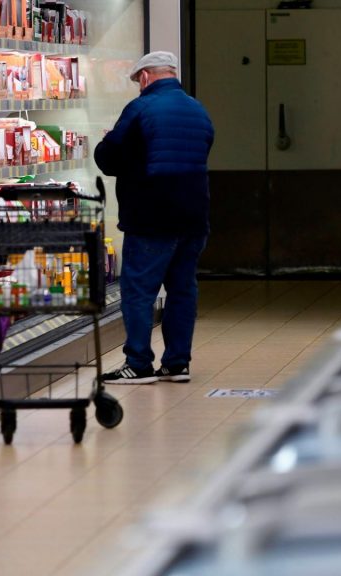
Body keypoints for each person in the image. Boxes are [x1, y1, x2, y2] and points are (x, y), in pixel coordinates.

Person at [94, 51, 214, 384]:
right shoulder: (197, 109)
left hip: (151, 217)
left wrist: (106, 142)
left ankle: (138, 364)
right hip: (194, 215)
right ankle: (177, 363)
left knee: (138, 291)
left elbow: (109, 158)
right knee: (182, 290)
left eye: (137, 82)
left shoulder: (141, 108)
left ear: (145, 77)